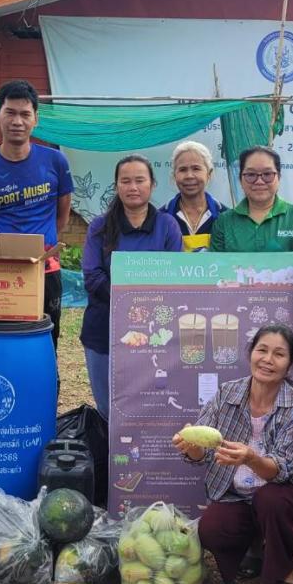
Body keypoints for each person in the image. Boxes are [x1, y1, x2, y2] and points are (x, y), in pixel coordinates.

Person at [173, 325, 293, 584]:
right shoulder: (227, 393)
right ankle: (255, 546)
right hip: (236, 492)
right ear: (250, 353)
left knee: (271, 500)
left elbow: (282, 469)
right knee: (211, 529)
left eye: (279, 354)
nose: (267, 360)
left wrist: (251, 458)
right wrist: (191, 449)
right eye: (261, 350)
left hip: (281, 489)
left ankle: (284, 568)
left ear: (289, 364)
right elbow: (200, 454)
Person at [0, 79, 74, 346]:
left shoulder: (55, 161)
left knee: (46, 340)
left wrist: (39, 245)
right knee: (0, 340)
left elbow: (62, 216)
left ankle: (46, 388)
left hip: (45, 268)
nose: (17, 121)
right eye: (10, 112)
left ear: (36, 119)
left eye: (25, 114)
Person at [81, 155, 183, 420]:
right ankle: (110, 460)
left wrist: (143, 306)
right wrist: (129, 301)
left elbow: (175, 277)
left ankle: (144, 461)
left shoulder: (167, 226)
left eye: (140, 180)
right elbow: (92, 277)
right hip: (103, 329)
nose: (133, 187)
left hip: (154, 333)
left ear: (152, 184)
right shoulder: (99, 227)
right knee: (109, 408)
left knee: (149, 404)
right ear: (116, 186)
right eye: (125, 181)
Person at [210, 146, 293, 253]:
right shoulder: (224, 223)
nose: (259, 181)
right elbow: (217, 267)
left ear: (279, 178)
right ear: (240, 180)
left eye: (267, 174)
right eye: (251, 174)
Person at [159, 140, 225, 251]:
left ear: (209, 173)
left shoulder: (224, 216)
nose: (189, 176)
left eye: (196, 168)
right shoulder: (161, 218)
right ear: (174, 175)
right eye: (182, 169)